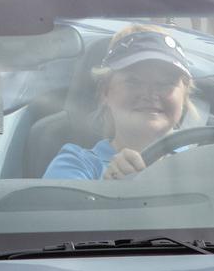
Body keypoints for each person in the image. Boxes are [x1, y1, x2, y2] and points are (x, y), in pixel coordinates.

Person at [44, 27, 196, 179]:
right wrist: (111, 191)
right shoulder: (77, 165)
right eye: (133, 81)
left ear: (184, 96)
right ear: (105, 92)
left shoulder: (205, 157)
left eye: (165, 83)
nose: (149, 94)